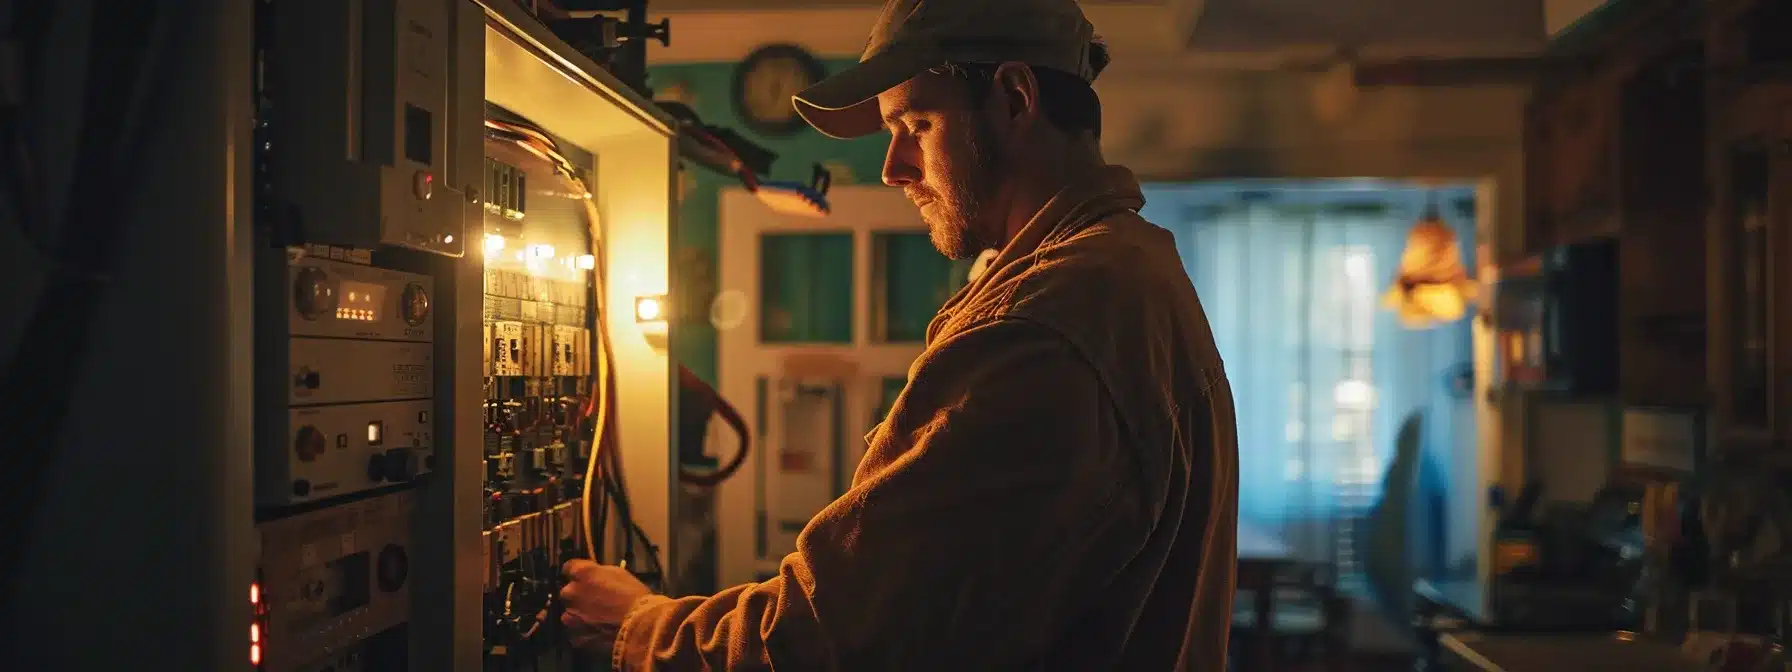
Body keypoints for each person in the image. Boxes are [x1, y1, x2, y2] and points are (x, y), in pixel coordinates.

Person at [560, 0, 1239, 669]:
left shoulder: (1044, 322)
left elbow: (840, 635)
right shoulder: (1131, 266)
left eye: (917, 122)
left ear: (1013, 98)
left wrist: (639, 628)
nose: (893, 168)